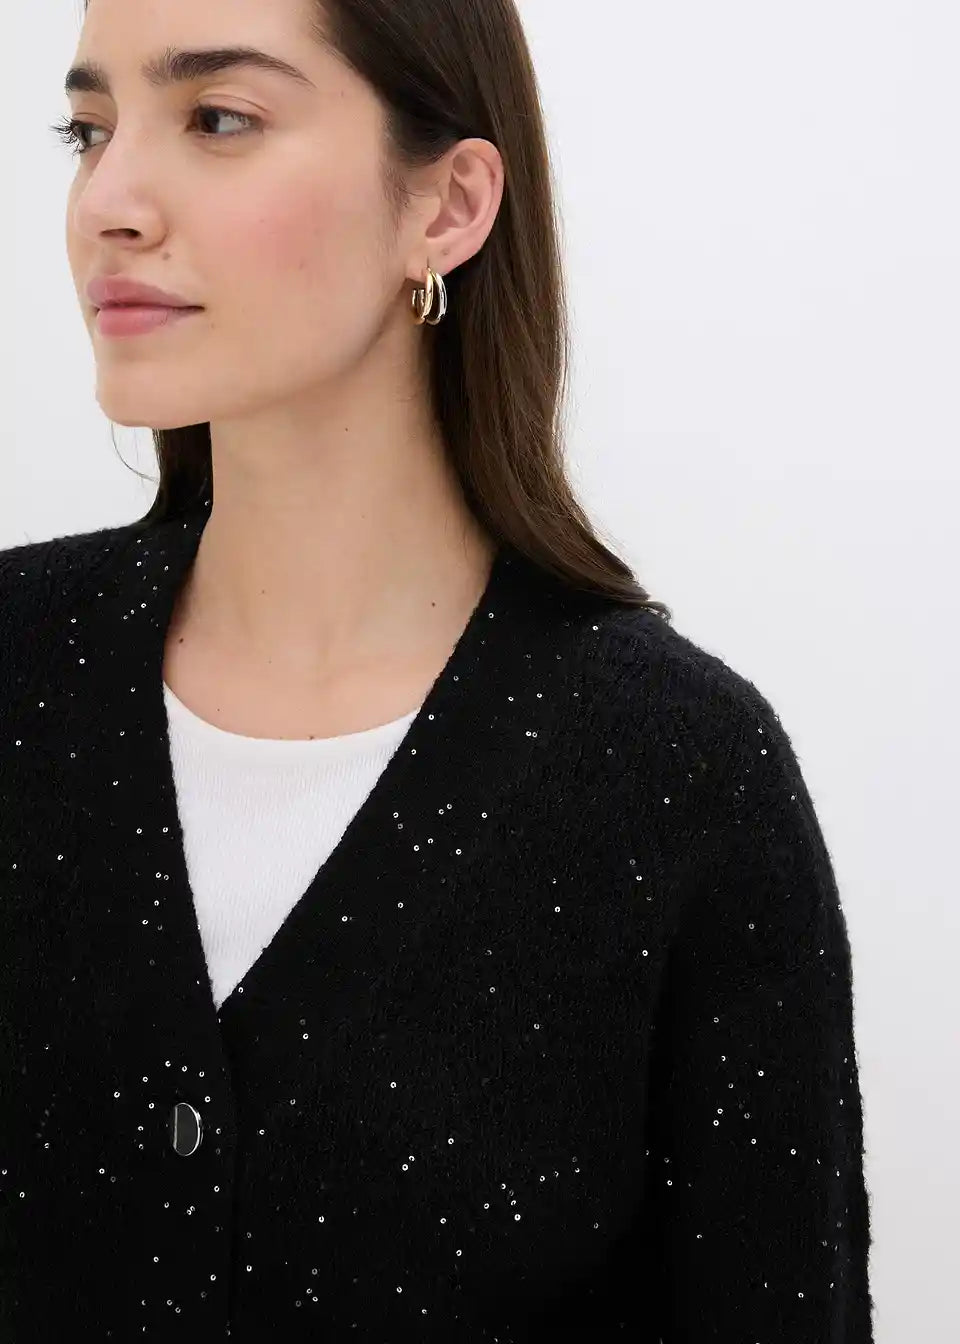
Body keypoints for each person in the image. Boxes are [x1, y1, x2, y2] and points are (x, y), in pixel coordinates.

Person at [0, 0, 874, 1339]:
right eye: (89, 130)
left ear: (448, 207)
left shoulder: (680, 778)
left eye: (218, 118)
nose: (107, 203)